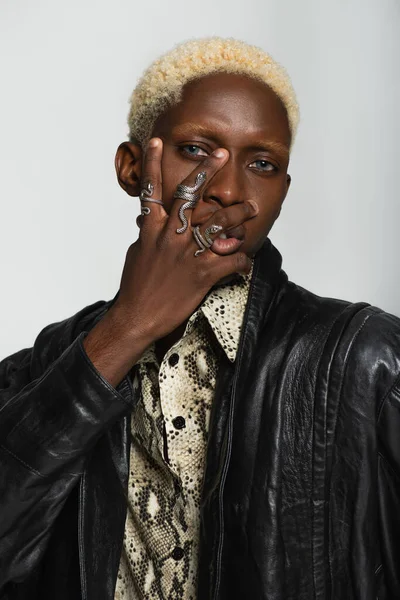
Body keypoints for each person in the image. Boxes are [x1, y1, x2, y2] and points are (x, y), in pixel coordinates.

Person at [0, 36, 399, 600]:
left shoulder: (368, 359)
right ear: (132, 167)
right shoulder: (50, 364)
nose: (230, 189)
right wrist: (126, 327)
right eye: (197, 150)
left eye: (262, 163)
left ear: (283, 190)